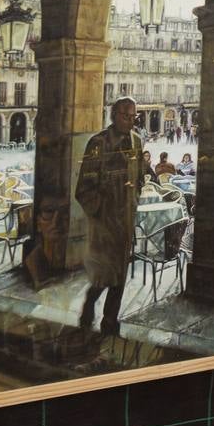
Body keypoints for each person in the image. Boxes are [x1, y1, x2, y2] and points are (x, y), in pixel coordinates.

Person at [73, 97, 145, 335]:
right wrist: (101, 214)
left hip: (126, 221)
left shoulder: (136, 141)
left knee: (120, 274)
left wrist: (133, 202)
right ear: (114, 115)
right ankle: (89, 305)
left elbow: (140, 177)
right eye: (126, 116)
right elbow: (84, 189)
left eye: (133, 116)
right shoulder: (98, 143)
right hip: (104, 223)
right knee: (104, 273)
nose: (131, 121)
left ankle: (110, 321)